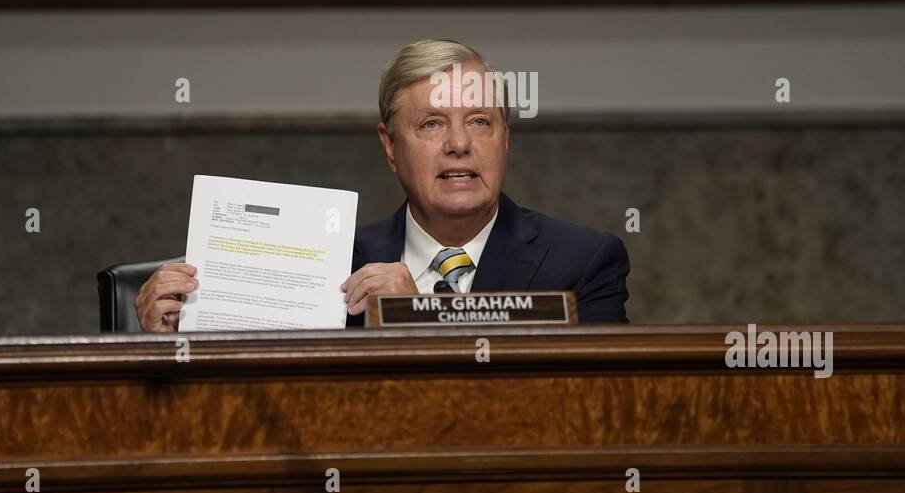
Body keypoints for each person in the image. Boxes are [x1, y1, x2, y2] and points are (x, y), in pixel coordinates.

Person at [134, 39, 630, 331]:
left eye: (479, 121)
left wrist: (416, 318)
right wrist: (173, 349)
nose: (459, 144)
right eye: (432, 124)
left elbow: (594, 415)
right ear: (390, 145)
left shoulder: (582, 263)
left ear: (505, 139)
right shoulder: (325, 266)